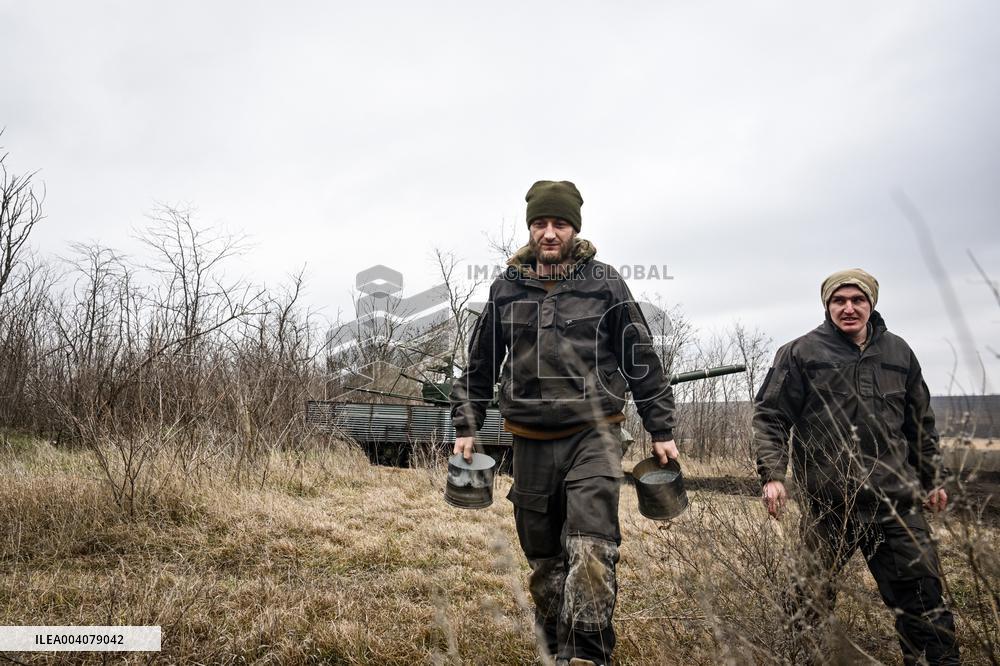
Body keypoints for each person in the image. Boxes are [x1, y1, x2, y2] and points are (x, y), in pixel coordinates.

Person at [451, 180, 677, 666]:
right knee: (545, 558)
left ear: (575, 227)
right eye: (540, 223)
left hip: (594, 433)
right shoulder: (506, 287)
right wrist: (467, 424)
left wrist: (661, 429)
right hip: (529, 438)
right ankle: (555, 645)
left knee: (591, 545)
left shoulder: (605, 281)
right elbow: (481, 363)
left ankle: (588, 654)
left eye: (559, 223)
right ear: (530, 226)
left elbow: (639, 356)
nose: (549, 233)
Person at [753, 268, 959, 665]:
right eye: (838, 301)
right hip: (830, 506)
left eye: (857, 300)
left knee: (925, 606)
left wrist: (932, 479)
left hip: (895, 504)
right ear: (827, 305)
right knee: (806, 606)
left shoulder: (899, 353)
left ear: (872, 304)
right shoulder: (800, 353)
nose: (848, 308)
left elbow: (920, 426)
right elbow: (770, 417)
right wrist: (773, 476)